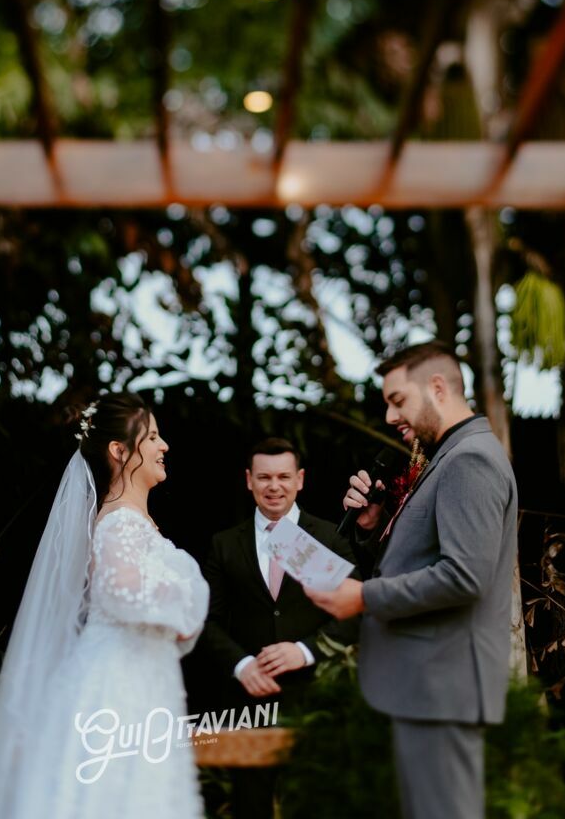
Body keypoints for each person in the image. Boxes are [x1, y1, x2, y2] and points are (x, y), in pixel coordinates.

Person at [0, 393, 210, 819]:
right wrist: (184, 596)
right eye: (152, 436)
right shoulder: (118, 523)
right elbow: (121, 592)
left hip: (147, 683)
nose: (163, 445)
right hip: (115, 690)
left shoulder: (138, 524)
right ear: (119, 450)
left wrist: (180, 612)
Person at [307, 342, 518, 819]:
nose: (387, 415)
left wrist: (363, 596)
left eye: (397, 400)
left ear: (437, 388)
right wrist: (371, 528)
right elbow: (421, 561)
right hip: (430, 688)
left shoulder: (470, 461)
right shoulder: (451, 457)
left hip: (443, 687)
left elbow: (465, 577)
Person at [198, 436, 359, 819]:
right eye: (265, 477)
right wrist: (242, 666)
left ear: (300, 480)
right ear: (249, 480)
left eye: (284, 477)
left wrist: (303, 651)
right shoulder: (224, 544)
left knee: (317, 802)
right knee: (250, 806)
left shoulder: (327, 537)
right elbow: (207, 619)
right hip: (249, 699)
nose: (275, 486)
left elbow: (356, 613)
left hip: (315, 695)